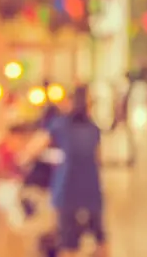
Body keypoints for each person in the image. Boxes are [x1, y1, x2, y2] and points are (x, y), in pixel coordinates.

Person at [20, 85, 107, 257]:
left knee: (69, 242)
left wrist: (22, 159)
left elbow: (32, 150)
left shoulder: (60, 124)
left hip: (67, 190)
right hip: (91, 190)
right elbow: (99, 159)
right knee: (100, 239)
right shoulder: (93, 128)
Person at [110, 75, 136, 166]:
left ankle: (124, 157)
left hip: (124, 122)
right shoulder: (121, 99)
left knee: (123, 140)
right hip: (122, 122)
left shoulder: (125, 99)